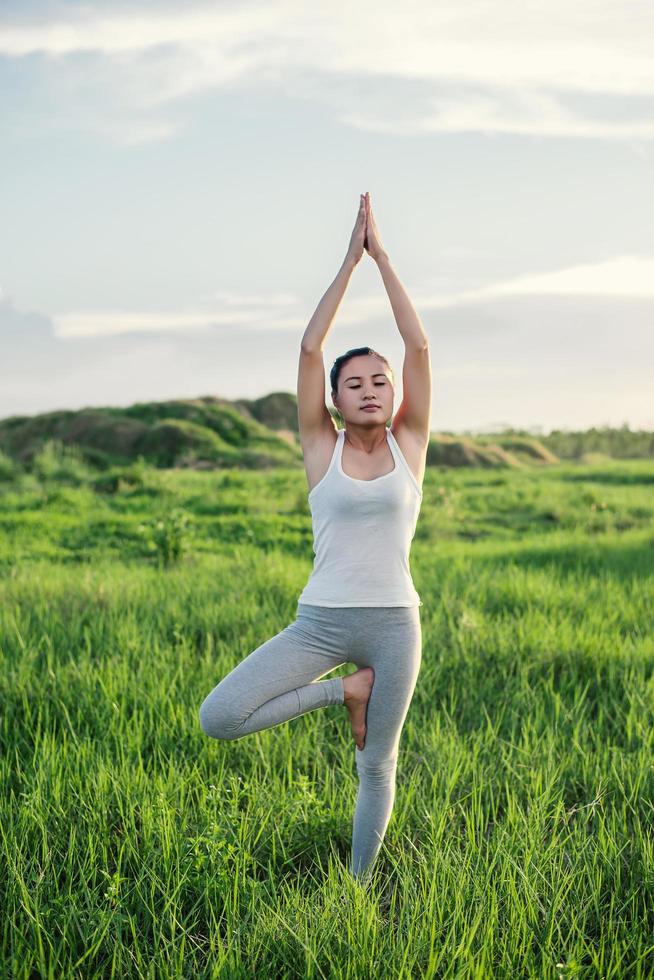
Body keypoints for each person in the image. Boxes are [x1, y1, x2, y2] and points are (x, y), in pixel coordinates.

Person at [199, 191, 432, 882]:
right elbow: (309, 346)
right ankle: (346, 692)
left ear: (394, 395)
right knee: (221, 717)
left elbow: (418, 344)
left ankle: (359, 891)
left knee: (377, 763)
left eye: (379, 381)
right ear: (333, 400)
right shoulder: (318, 448)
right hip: (320, 624)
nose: (369, 389)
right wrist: (348, 261)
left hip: (395, 624)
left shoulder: (411, 445)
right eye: (353, 382)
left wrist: (383, 258)